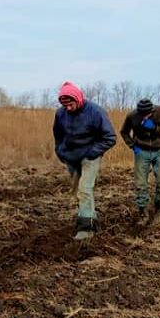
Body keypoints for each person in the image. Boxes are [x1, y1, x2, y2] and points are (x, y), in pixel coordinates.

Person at [52, 81, 116, 240]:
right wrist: (60, 151)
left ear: (78, 99)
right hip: (71, 158)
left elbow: (110, 137)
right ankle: (91, 216)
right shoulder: (60, 114)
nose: (67, 108)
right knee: (77, 192)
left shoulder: (95, 112)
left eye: (70, 104)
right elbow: (58, 135)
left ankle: (86, 229)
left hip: (90, 157)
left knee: (84, 190)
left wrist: (92, 152)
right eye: (64, 104)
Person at [120, 98, 160, 224]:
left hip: (159, 150)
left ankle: (158, 212)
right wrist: (132, 146)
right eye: (142, 115)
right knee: (140, 185)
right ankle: (143, 213)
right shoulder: (132, 116)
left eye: (147, 114)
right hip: (141, 151)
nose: (144, 117)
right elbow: (124, 132)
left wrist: (154, 128)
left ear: (152, 110)